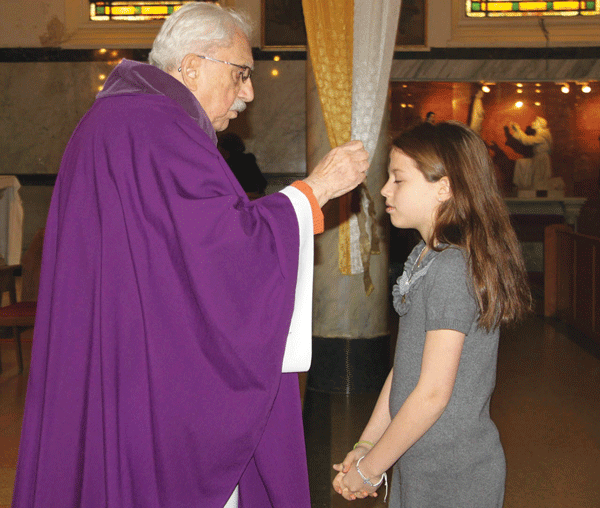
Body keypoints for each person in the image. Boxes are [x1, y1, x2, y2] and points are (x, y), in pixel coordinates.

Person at [11, 4, 369, 508]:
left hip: (120, 354)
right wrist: (315, 189)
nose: (248, 92)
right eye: (241, 73)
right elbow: (225, 252)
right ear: (192, 65)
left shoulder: (115, 120)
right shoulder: (162, 130)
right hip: (152, 382)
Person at [332, 121, 531, 507]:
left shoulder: (452, 268)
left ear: (444, 187)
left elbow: (433, 393)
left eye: (398, 179)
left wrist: (371, 468)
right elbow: (406, 367)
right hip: (417, 456)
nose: (385, 189)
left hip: (453, 472)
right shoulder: (425, 256)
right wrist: (367, 443)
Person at [218, 132, 267, 198]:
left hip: (244, 199)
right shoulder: (248, 159)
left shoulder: (230, 164)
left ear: (225, 149)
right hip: (255, 198)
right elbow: (263, 183)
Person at [509, 116, 552, 190]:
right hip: (536, 158)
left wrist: (518, 130)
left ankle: (528, 187)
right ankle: (520, 185)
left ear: (540, 125)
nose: (533, 123)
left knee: (537, 183)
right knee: (520, 162)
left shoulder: (543, 135)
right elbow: (527, 140)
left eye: (535, 122)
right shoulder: (540, 134)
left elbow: (528, 141)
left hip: (541, 160)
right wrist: (517, 130)